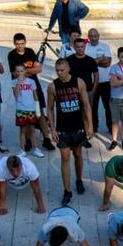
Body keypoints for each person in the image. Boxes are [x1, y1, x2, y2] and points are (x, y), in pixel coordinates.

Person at [48, 57, 93, 203]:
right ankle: (67, 191)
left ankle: (79, 180)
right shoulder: (53, 87)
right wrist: (52, 129)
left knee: (78, 154)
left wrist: (90, 126)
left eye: (62, 70)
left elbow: (86, 105)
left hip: (78, 126)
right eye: (57, 70)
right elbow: (49, 108)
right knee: (65, 158)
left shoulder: (79, 82)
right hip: (62, 128)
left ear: (68, 69)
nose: (59, 73)